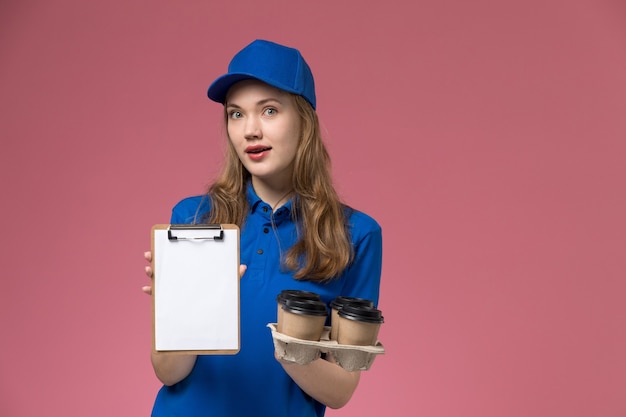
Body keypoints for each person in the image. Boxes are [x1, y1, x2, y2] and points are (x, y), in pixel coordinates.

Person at [142, 39, 383, 417]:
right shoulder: (192, 218)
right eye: (236, 114)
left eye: (269, 111)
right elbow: (168, 373)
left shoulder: (357, 234)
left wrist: (289, 345)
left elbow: (340, 392)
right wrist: (186, 306)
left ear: (304, 119)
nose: (250, 130)